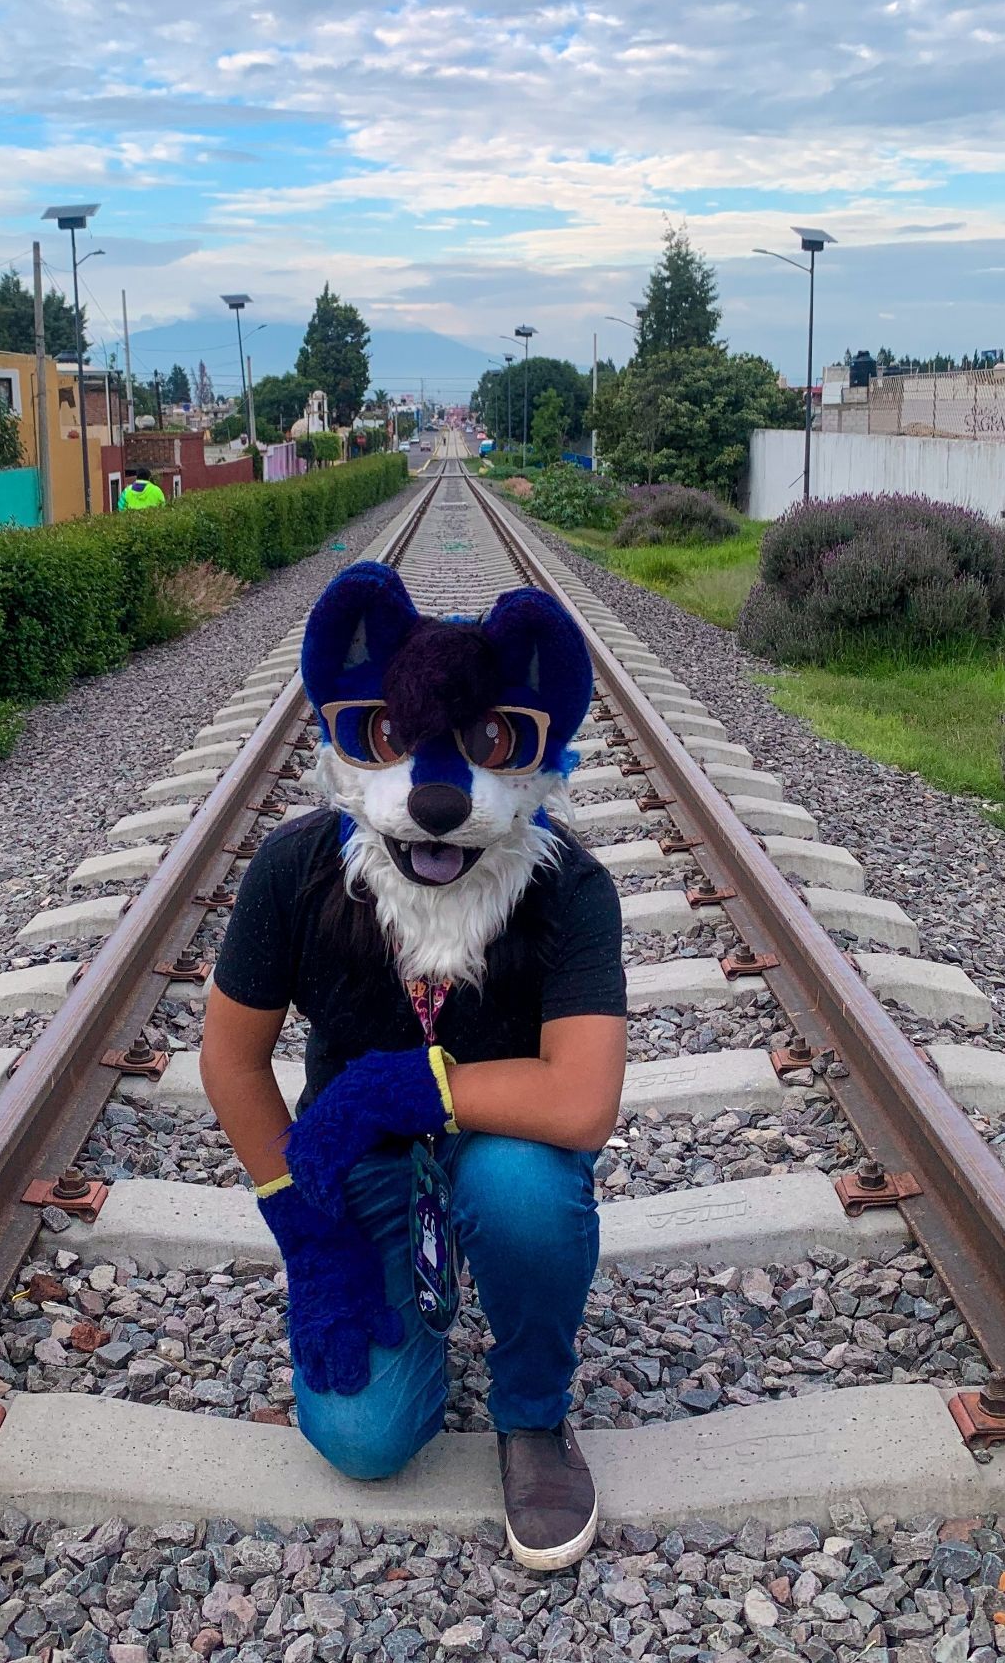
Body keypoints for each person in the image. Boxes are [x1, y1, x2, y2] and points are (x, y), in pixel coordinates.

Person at [200, 562, 625, 1570]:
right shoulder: (297, 869)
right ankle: (408, 1299)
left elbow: (582, 1099)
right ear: (355, 740)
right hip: (370, 1170)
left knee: (518, 1189)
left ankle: (530, 1411)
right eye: (393, 739)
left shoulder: (569, 887)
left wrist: (417, 1083)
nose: (437, 790)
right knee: (364, 1435)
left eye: (484, 745)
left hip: (502, 1140)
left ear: (528, 753)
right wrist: (304, 1229)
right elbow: (230, 1055)